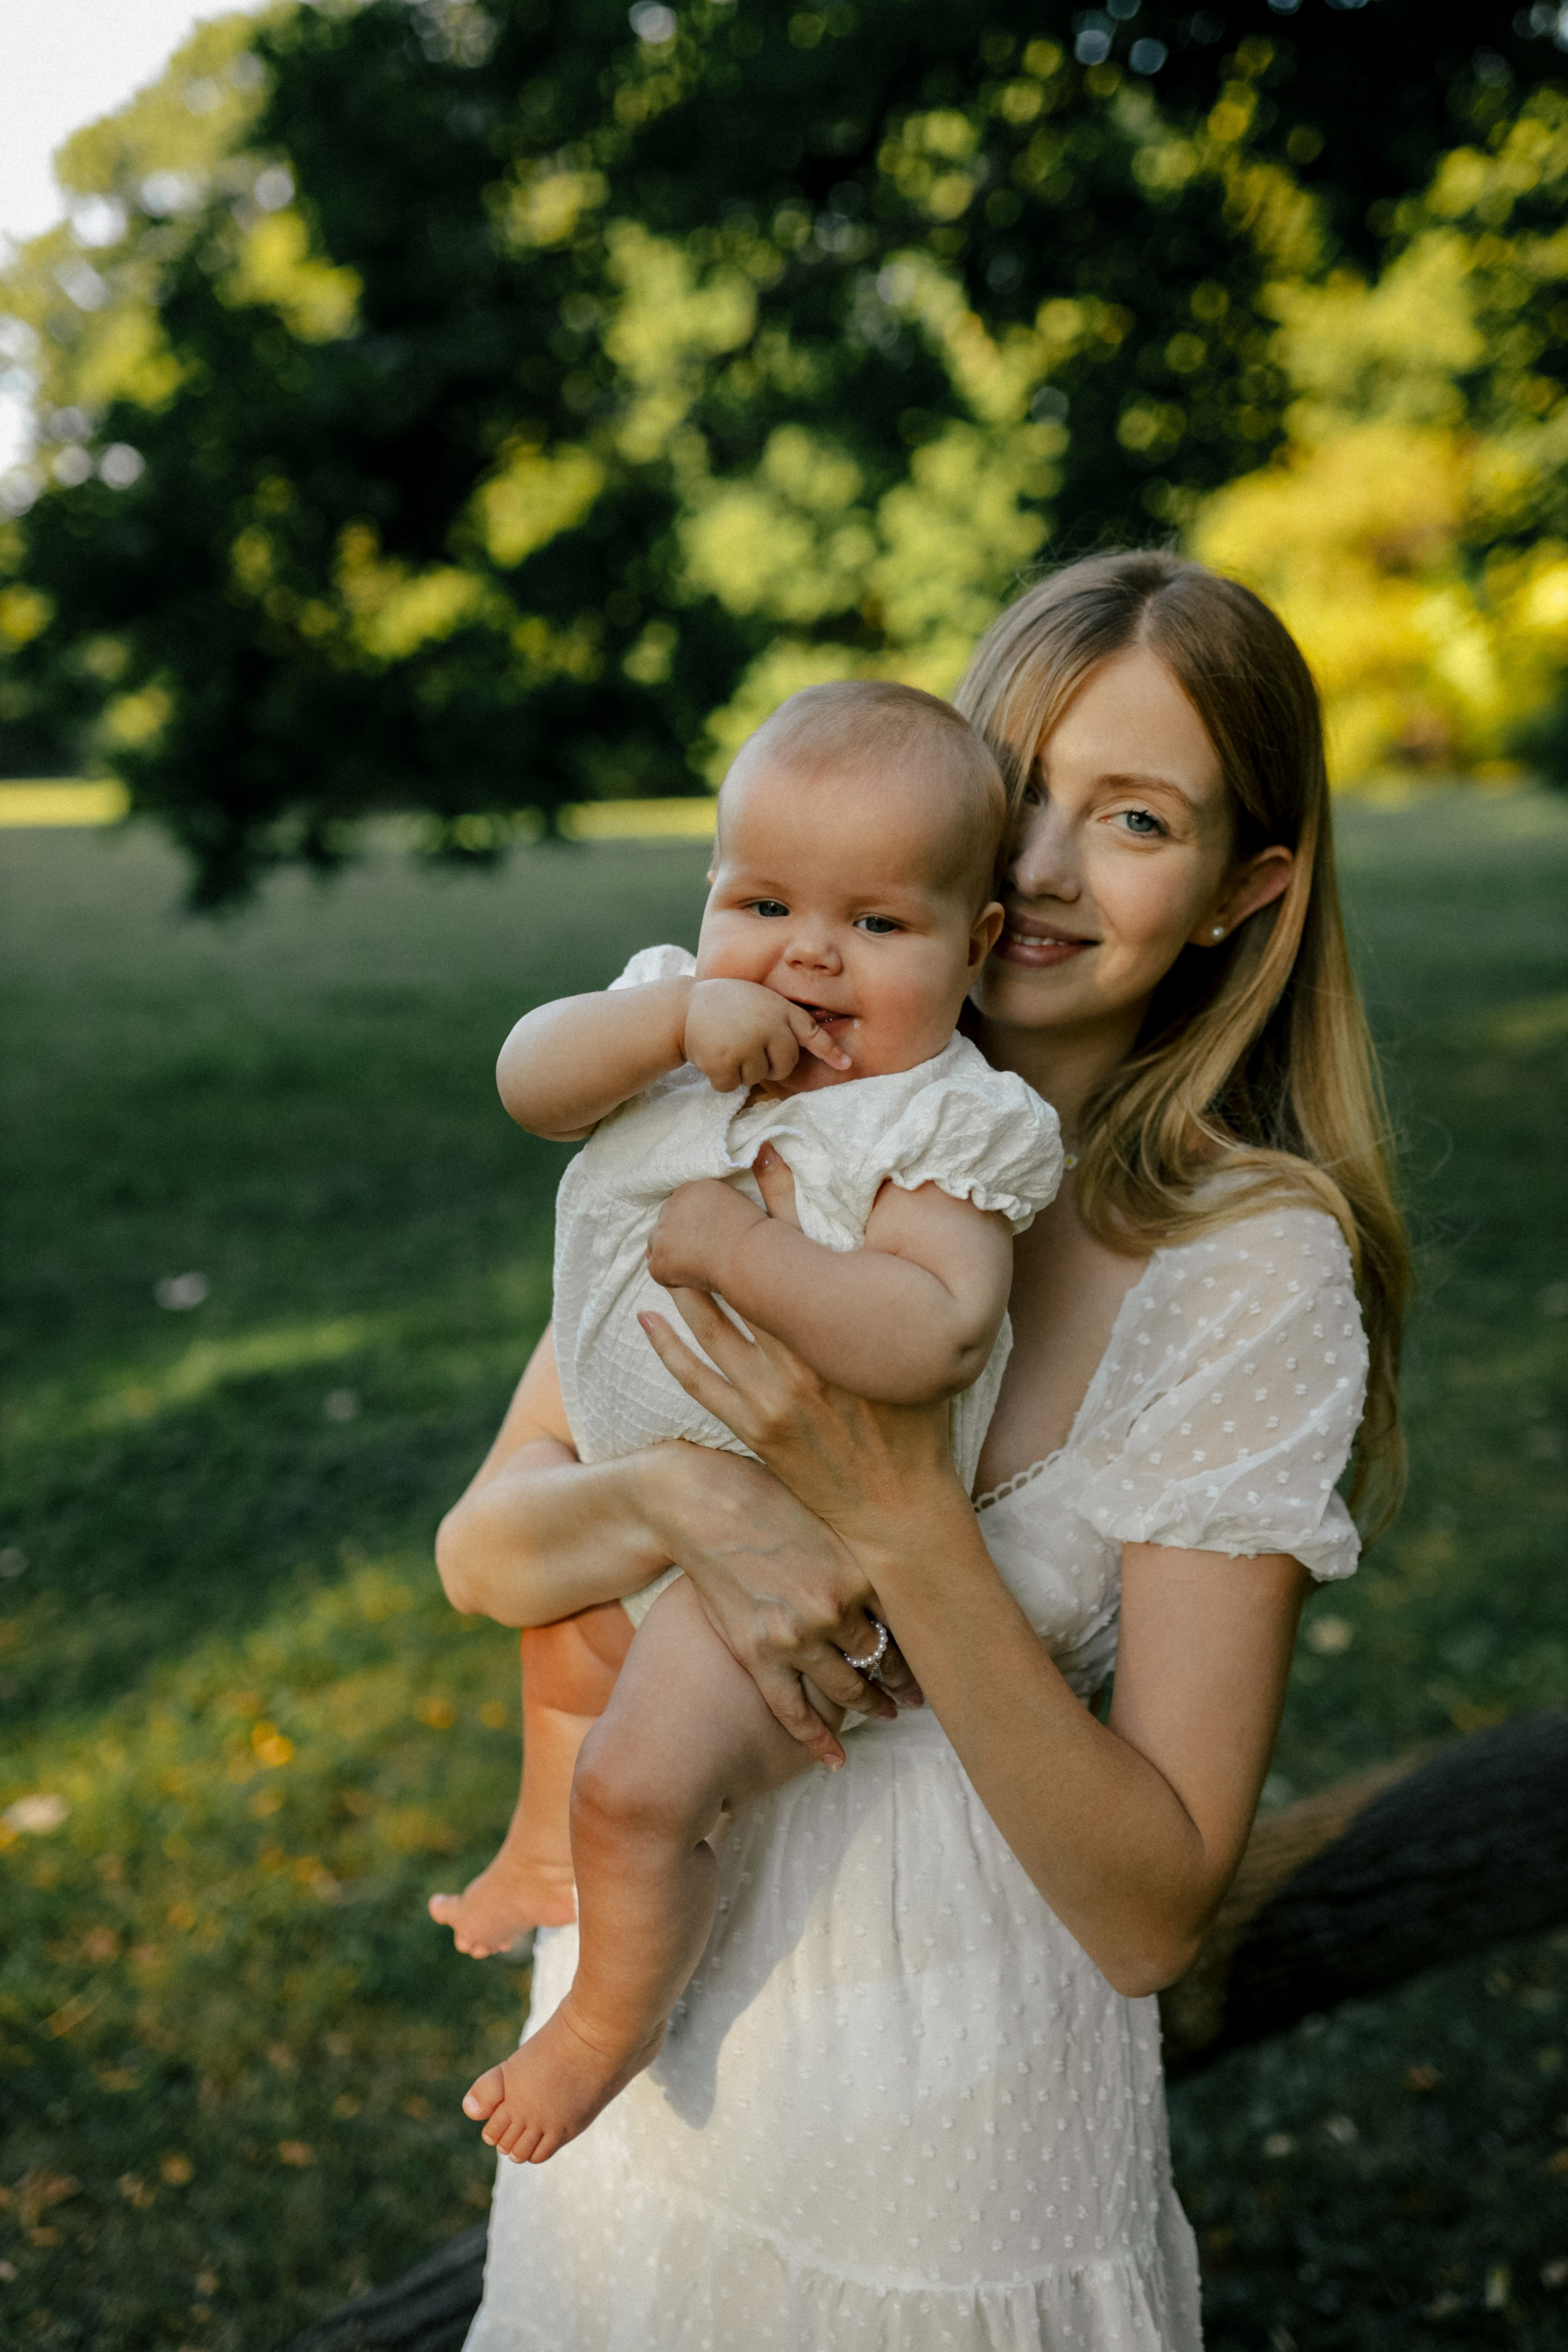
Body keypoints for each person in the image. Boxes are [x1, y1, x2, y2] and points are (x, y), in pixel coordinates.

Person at [436, 549, 1409, 2351]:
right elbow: (483, 1555)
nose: (1039, 867)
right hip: (642, 2076)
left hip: (949, 2124)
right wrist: (682, 1502)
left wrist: (893, 1519)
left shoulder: (1248, 1267)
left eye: (1134, 818)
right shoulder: (766, 1102)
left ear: (1241, 890)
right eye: (1020, 786)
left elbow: (1149, 1915)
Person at [450, 680, 1063, 2163]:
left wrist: (738, 1250)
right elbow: (525, 1082)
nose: (807, 953)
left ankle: (605, 2023)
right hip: (642, 1494)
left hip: (799, 1544)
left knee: (637, 1786)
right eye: (764, 903)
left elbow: (937, 1327)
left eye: (877, 922)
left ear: (975, 943)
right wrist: (670, 1013)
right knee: (560, 1649)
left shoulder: (940, 1121)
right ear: (709, 894)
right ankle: (537, 1845)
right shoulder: (666, 1020)